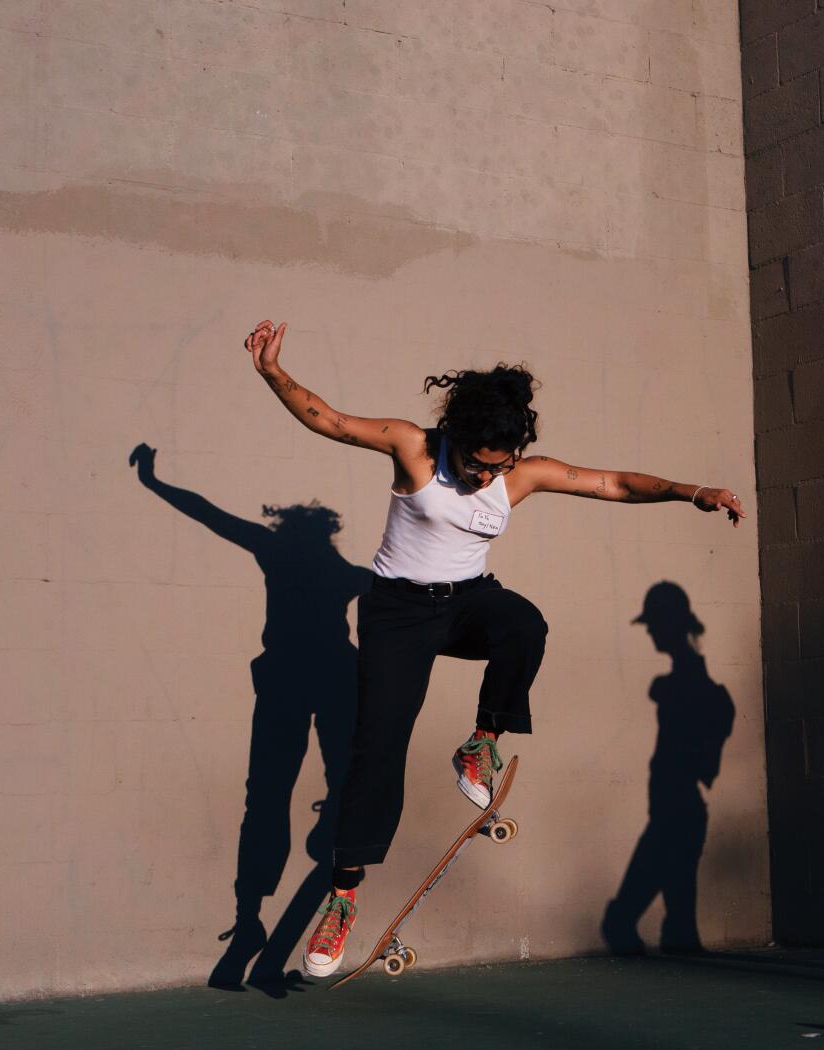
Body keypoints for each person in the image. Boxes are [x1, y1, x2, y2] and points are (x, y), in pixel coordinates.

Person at [244, 318, 746, 978]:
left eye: (503, 464)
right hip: (397, 613)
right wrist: (275, 373)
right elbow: (330, 420)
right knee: (377, 746)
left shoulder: (519, 475)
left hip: (465, 600)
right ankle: (342, 896)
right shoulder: (414, 448)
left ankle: (482, 740)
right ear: (459, 437)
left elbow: (614, 483)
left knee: (525, 625)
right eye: (483, 463)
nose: (492, 477)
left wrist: (692, 492)